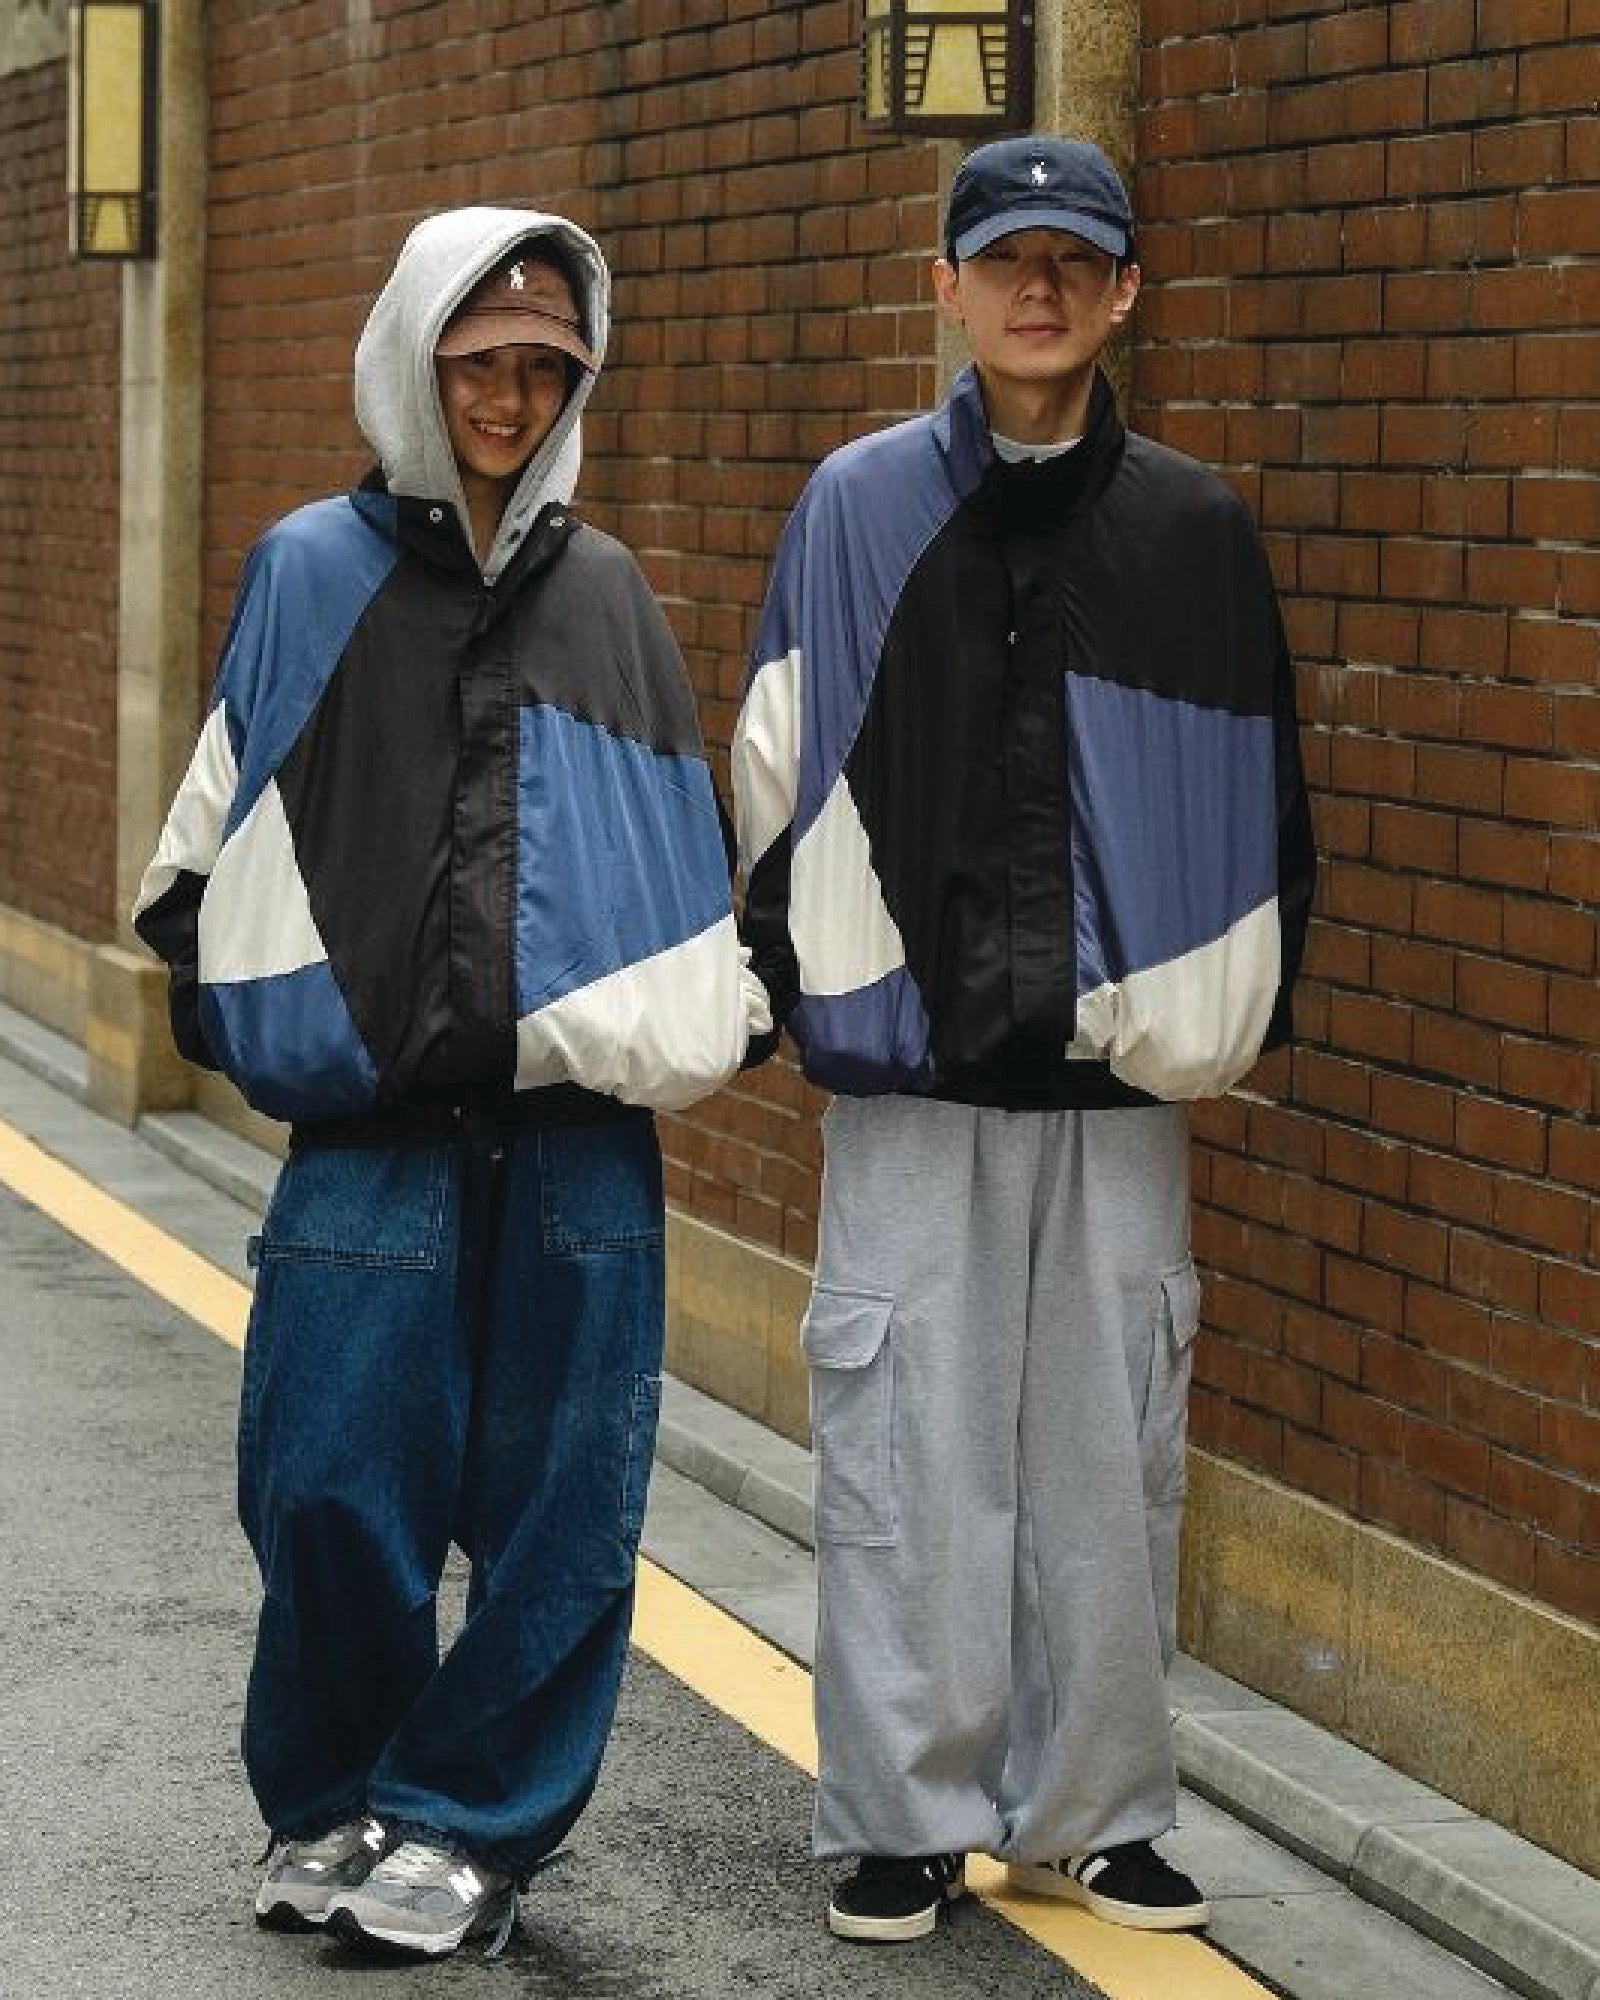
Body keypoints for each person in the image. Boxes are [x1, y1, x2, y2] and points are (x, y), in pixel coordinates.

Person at [134, 205, 767, 1960]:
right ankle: (333, 1792)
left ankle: (468, 1825)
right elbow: (206, 845)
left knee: (565, 1506)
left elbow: (670, 859)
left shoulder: (610, 591)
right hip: (373, 1133)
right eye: (481, 361)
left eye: (546, 369)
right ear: (415, 359)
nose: (510, 396)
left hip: (574, 1142)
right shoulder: (306, 571)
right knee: (327, 1480)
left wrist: (694, 1011)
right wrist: (248, 1011)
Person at [732, 135, 1315, 1945]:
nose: (1040, 289)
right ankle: (900, 1818)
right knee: (905, 1440)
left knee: (1109, 1449)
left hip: (1118, 1082)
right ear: (950, 289)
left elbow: (1261, 803)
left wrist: (1224, 1007)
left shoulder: (1194, 530)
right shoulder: (854, 505)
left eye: (1078, 258)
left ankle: (1095, 1813)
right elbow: (772, 757)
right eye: (1007, 259)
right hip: (910, 1074)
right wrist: (796, 978)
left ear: (1127, 288)